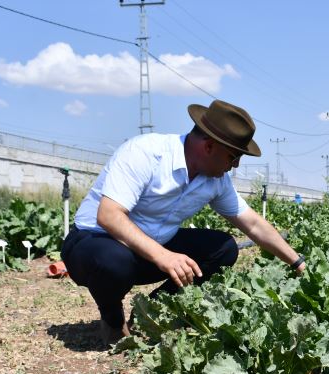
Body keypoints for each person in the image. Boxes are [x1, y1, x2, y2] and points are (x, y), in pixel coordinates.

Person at [61, 99, 306, 344]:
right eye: (233, 157)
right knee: (113, 261)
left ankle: (153, 310)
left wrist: (297, 263)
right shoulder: (147, 153)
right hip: (93, 244)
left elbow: (252, 224)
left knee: (224, 249)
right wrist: (164, 256)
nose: (235, 166)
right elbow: (109, 215)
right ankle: (113, 322)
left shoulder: (215, 180)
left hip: (150, 250)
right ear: (209, 147)